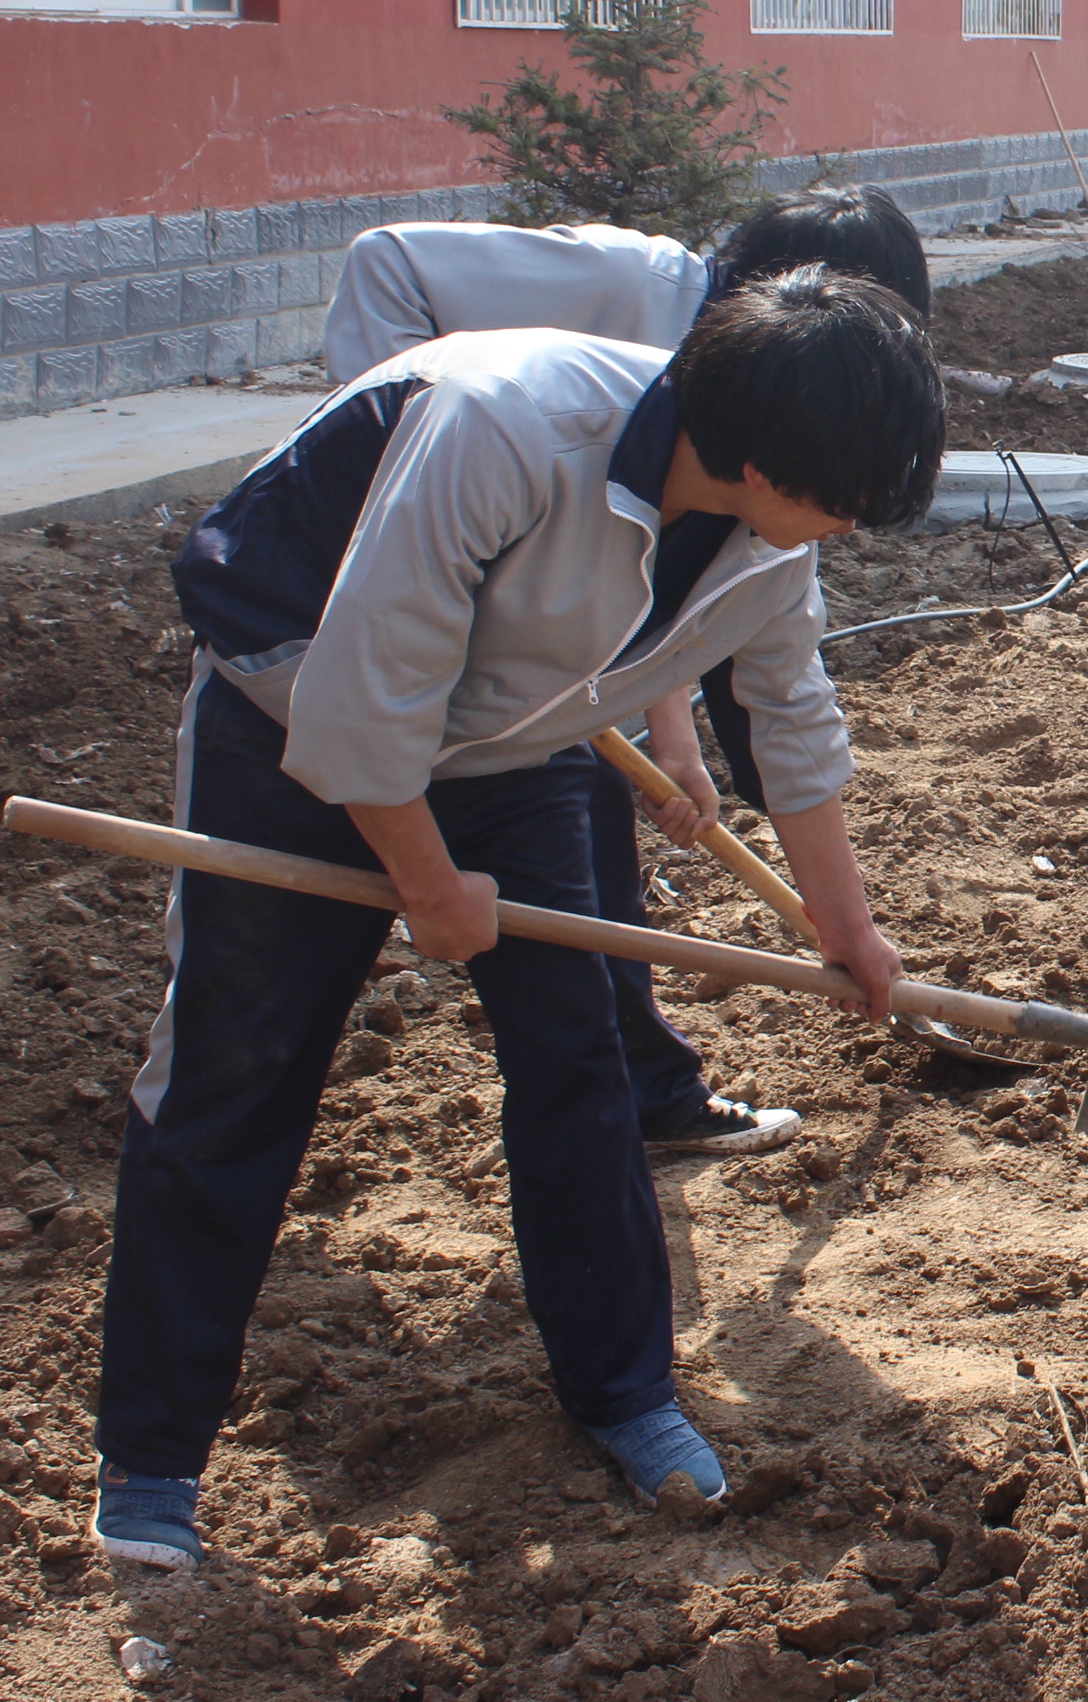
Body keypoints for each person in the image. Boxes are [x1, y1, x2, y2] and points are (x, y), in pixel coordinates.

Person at [95, 270, 945, 1568]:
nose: (841, 527)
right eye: (839, 497)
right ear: (765, 455)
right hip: (292, 712)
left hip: (510, 746)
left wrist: (849, 926)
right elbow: (366, 689)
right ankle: (149, 1464)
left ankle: (628, 1394)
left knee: (580, 1061)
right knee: (237, 1066)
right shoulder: (506, 428)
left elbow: (789, 718)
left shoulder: (770, 545)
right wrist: (429, 890)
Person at [319, 189, 937, 1158]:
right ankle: (633, 1088)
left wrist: (674, 737)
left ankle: (641, 1091)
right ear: (775, 299)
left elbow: (684, 605)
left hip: (558, 633)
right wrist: (387, 476)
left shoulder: (774, 471)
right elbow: (385, 261)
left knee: (581, 844)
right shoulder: (624, 299)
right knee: (553, 830)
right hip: (444, 557)